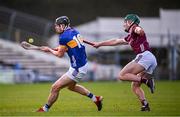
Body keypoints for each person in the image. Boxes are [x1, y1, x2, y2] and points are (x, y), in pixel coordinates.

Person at [36, 16, 103, 112]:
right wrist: (57, 48)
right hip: (82, 65)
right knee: (71, 87)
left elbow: (59, 54)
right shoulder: (73, 31)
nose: (56, 27)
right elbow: (69, 46)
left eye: (57, 26)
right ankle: (95, 99)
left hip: (77, 68)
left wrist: (49, 50)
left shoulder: (63, 37)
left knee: (55, 87)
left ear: (63, 26)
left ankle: (44, 109)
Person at [93, 14, 157, 111]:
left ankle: (147, 81)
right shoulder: (130, 36)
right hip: (150, 59)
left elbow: (139, 30)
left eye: (125, 22)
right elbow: (115, 41)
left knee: (122, 75)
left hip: (145, 56)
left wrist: (139, 30)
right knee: (135, 86)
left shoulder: (134, 28)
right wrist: (100, 44)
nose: (124, 25)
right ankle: (145, 105)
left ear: (130, 22)